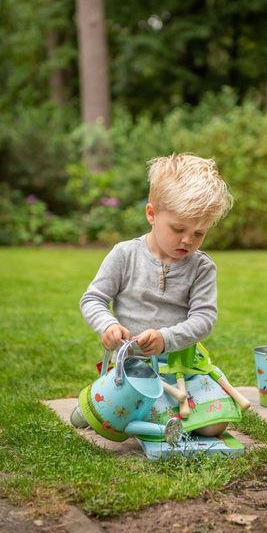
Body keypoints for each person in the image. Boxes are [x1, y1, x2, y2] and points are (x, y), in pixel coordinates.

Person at [79, 153, 241, 437]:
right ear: (151, 214)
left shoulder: (201, 267)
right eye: (178, 229)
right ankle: (103, 403)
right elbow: (92, 299)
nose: (188, 240)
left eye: (199, 233)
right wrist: (108, 325)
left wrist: (167, 339)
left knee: (215, 425)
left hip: (181, 369)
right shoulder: (125, 255)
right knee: (117, 414)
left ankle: (151, 416)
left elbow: (204, 319)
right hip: (132, 370)